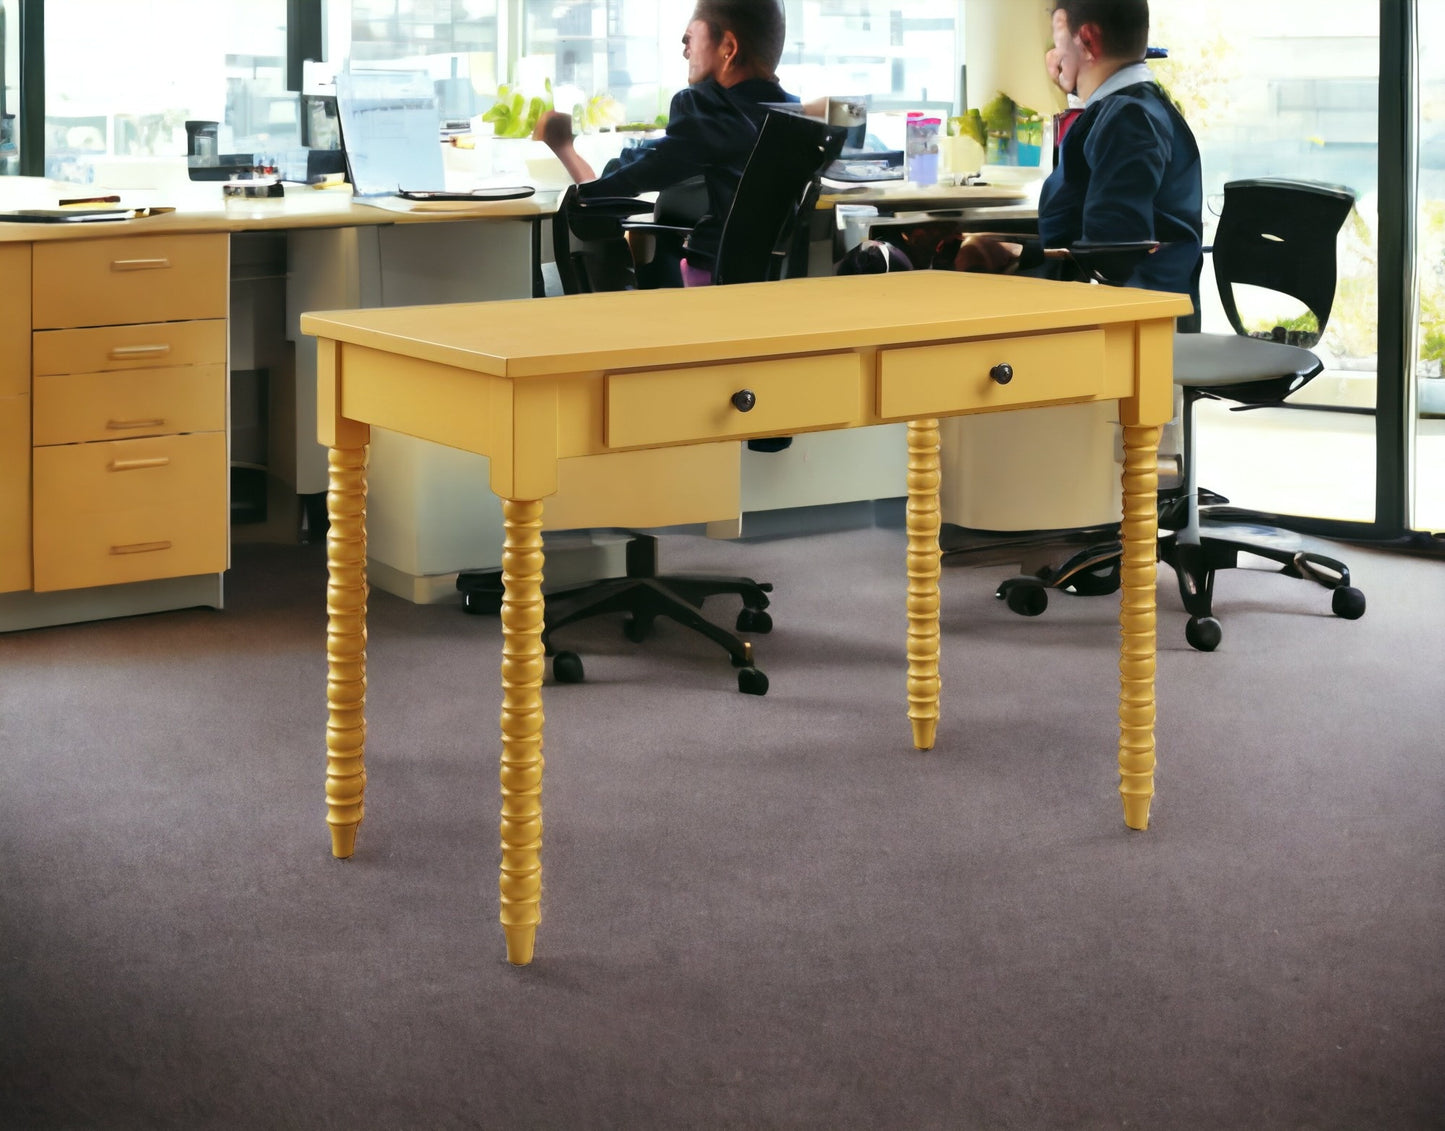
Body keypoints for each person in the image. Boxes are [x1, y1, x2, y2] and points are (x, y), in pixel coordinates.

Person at [952, 0, 1203, 320]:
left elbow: (1112, 255)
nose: (1053, 58)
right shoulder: (1127, 108)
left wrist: (1018, 254)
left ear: (1086, 40)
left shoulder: (1127, 120)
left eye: (1059, 44)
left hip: (1133, 323)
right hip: (1116, 302)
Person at [533, 0, 796, 286]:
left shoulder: (706, 109)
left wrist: (565, 150)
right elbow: (662, 154)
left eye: (690, 40)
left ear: (728, 49)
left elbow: (623, 182)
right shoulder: (797, 115)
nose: (685, 52)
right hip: (776, 286)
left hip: (714, 280)